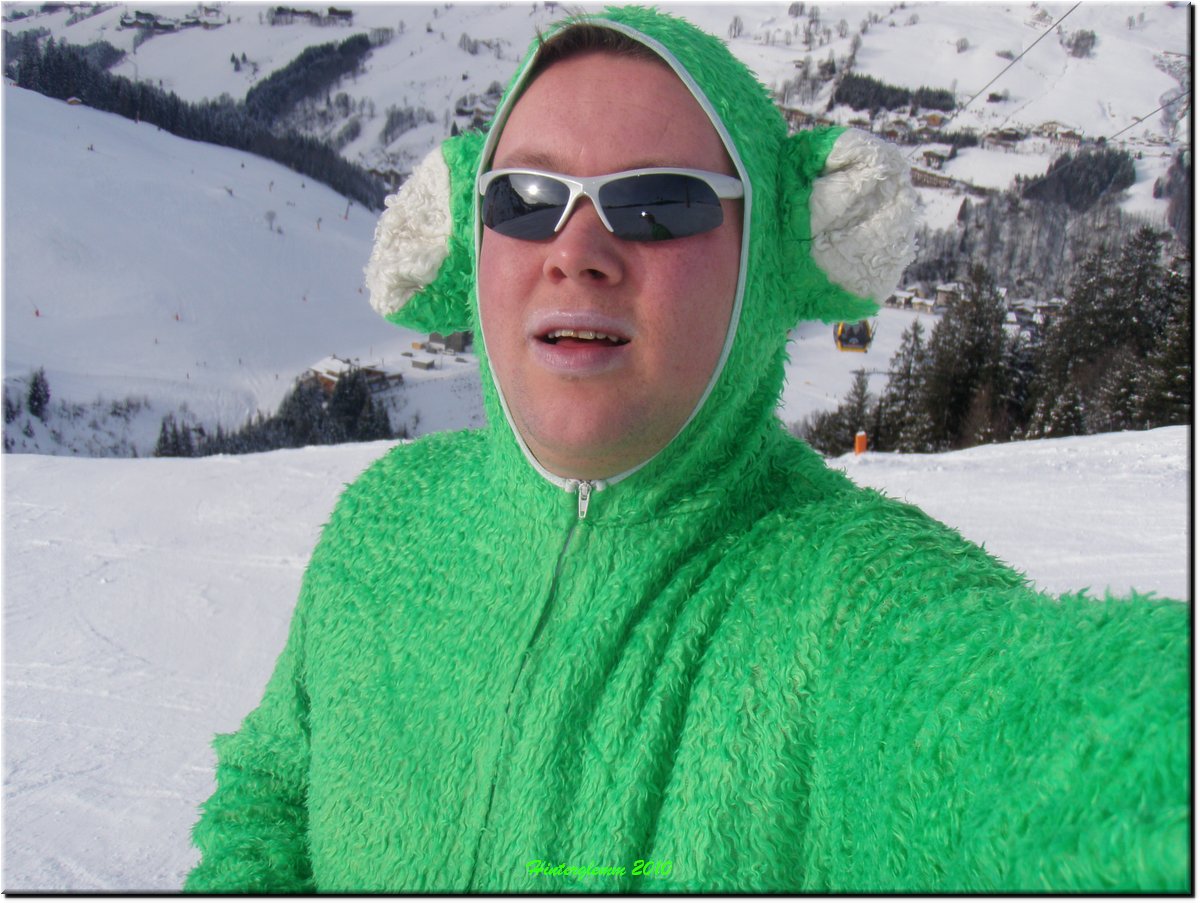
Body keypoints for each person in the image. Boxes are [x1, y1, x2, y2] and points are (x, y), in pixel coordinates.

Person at [184, 7, 1189, 893]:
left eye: (658, 203)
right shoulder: (384, 525)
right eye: (523, 199)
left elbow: (1043, 739)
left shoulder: (844, 610)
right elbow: (273, 784)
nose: (576, 250)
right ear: (464, 240)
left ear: (773, 257)